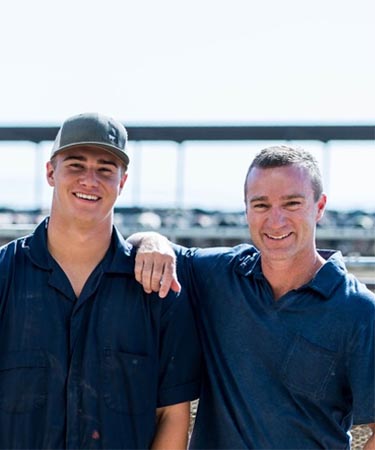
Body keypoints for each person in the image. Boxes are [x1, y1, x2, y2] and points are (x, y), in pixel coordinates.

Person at [129, 145, 375, 449]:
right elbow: (141, 244)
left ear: (320, 206)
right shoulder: (218, 275)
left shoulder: (359, 310)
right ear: (246, 209)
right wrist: (152, 240)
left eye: (292, 203)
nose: (276, 221)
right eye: (261, 205)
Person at [0, 112, 201, 450]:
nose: (90, 180)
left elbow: (171, 415)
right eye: (76, 165)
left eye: (105, 170)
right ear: (51, 172)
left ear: (122, 182)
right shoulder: (5, 276)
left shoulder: (157, 289)